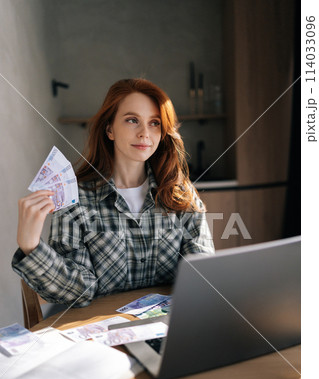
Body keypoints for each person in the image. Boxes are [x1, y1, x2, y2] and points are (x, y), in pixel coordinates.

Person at [12, 78, 214, 307]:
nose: (144, 133)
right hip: (103, 334)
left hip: (171, 331)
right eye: (132, 120)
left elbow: (201, 272)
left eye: (154, 123)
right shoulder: (75, 200)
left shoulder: (181, 193)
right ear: (110, 129)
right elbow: (77, 292)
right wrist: (31, 246)